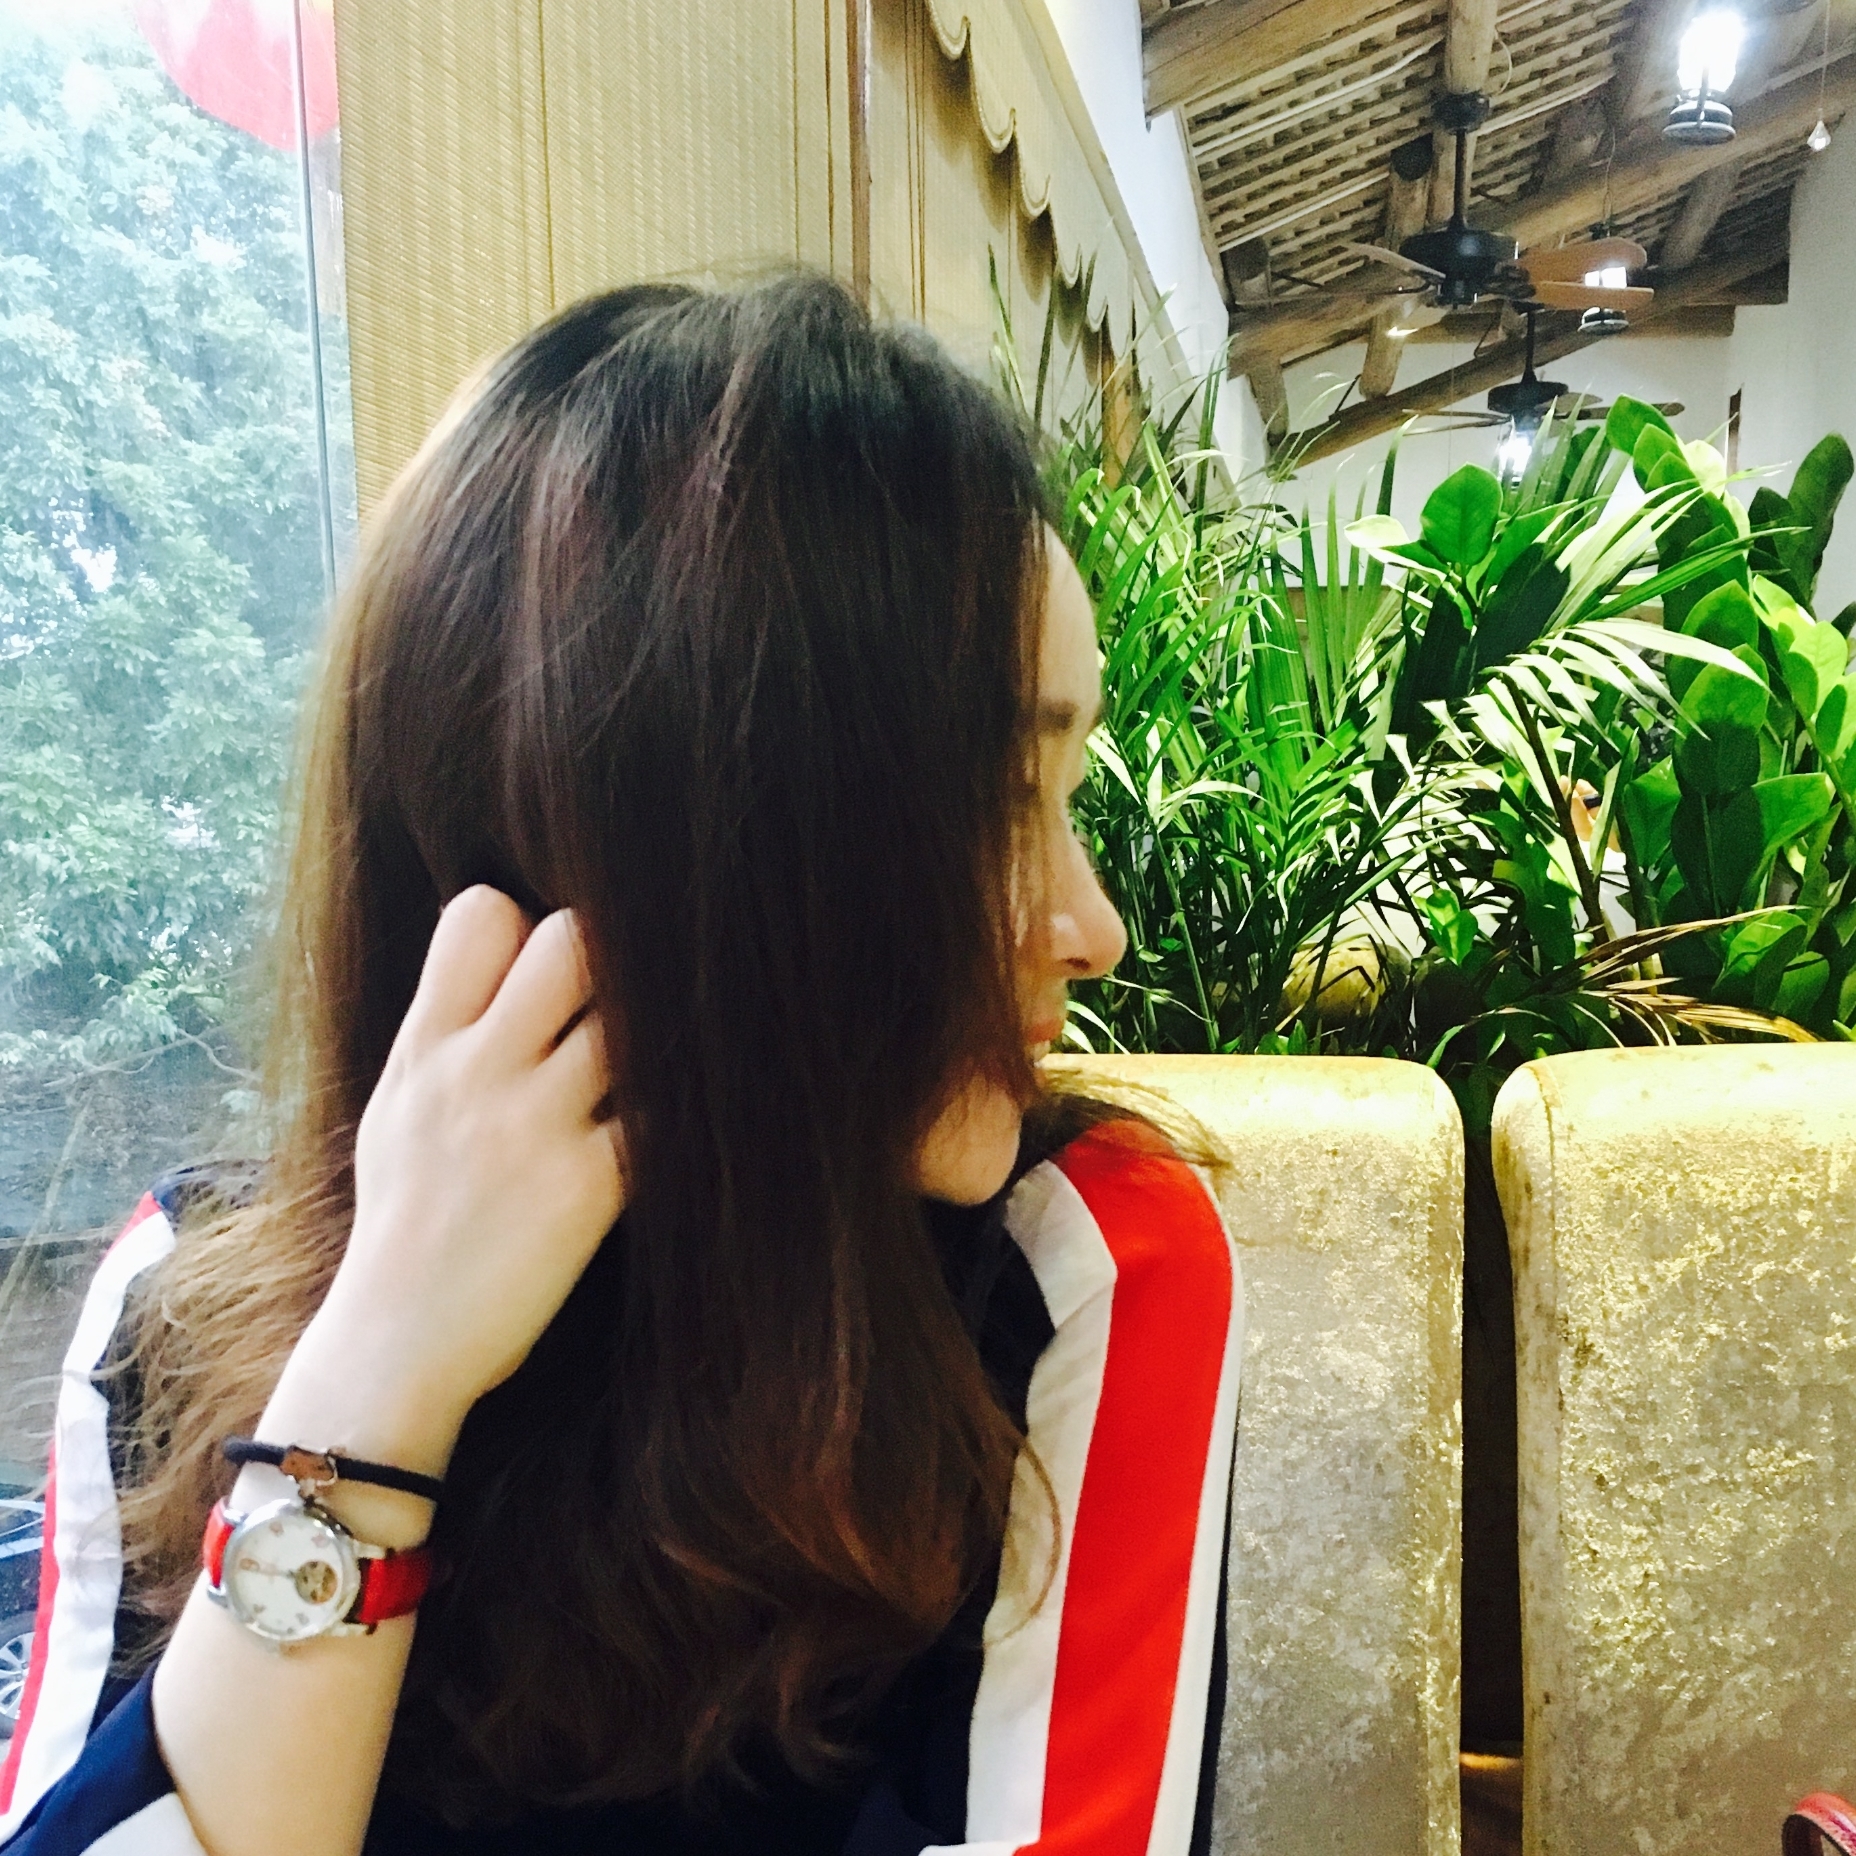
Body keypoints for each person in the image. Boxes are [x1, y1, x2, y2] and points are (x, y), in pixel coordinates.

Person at [0, 274, 1243, 1856]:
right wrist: (380, 1380)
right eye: (1000, 803)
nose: (1093, 925)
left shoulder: (1077, 1266)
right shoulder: (180, 1302)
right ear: (694, 845)